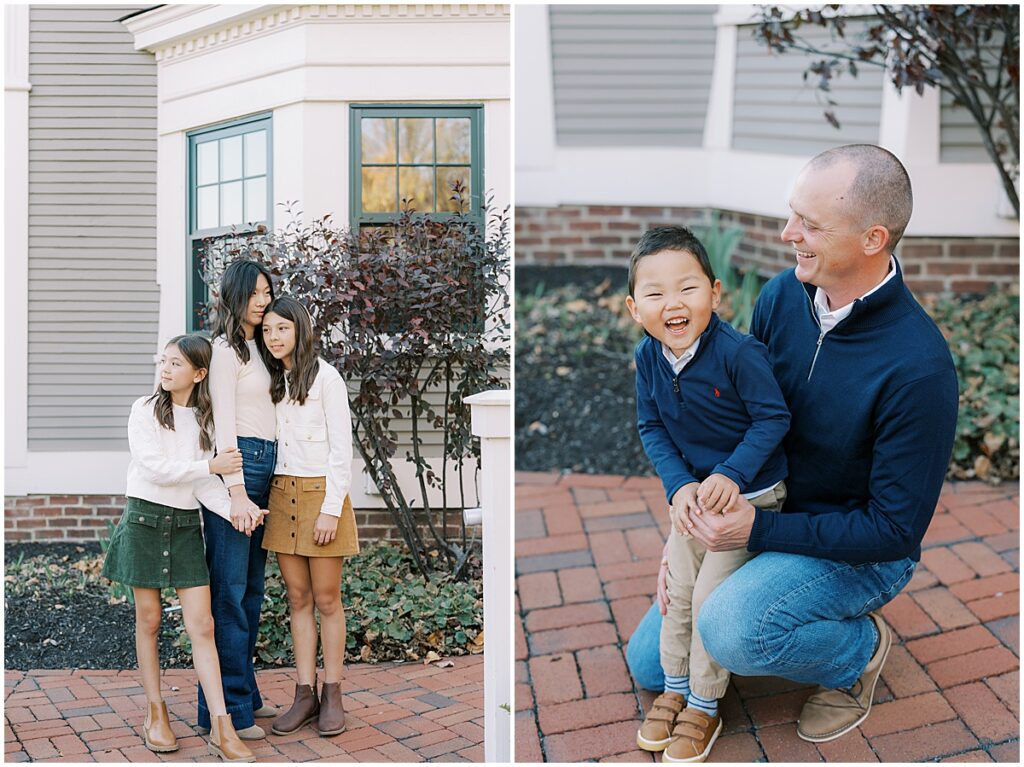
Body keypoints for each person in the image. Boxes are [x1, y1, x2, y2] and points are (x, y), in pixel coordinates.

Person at [624, 144, 959, 745]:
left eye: (810, 224)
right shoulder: (784, 296)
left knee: (731, 630)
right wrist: (691, 528)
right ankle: (766, 613)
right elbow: (741, 417)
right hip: (766, 510)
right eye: (792, 214)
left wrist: (753, 533)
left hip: (855, 549)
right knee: (650, 663)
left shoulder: (918, 368)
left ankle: (857, 651)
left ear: (872, 237)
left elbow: (893, 533)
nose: (787, 234)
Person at [625, 227, 790, 762]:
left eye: (687, 289)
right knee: (676, 596)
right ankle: (674, 691)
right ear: (634, 307)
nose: (672, 303)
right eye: (655, 294)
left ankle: (703, 705)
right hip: (693, 503)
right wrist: (679, 486)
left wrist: (732, 474)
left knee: (706, 600)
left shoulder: (739, 354)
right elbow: (652, 427)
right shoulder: (647, 359)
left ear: (715, 294)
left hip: (749, 500)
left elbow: (773, 418)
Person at [102, 335, 255, 762]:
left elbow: (205, 485)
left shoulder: (204, 421)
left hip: (187, 527)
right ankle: (156, 713)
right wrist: (210, 465)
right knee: (148, 621)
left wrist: (237, 511)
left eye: (175, 363)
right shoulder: (145, 410)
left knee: (202, 625)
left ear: (199, 373)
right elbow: (154, 468)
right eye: (163, 361)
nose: (165, 369)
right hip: (145, 523)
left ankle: (222, 726)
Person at [259, 296, 360, 736]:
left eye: (281, 328)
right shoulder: (272, 381)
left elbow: (342, 450)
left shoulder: (327, 378)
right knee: (297, 599)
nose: (273, 337)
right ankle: (305, 694)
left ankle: (333, 693)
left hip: (322, 496)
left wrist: (330, 511)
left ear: (299, 329)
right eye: (266, 330)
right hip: (282, 495)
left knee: (326, 599)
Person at [198, 259, 279, 738]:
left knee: (250, 590)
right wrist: (236, 494)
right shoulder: (225, 349)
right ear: (236, 295)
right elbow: (223, 422)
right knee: (228, 592)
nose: (263, 301)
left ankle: (243, 694)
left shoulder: (259, 345)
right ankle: (226, 712)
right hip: (241, 467)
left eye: (268, 292)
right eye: (255, 294)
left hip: (267, 465)